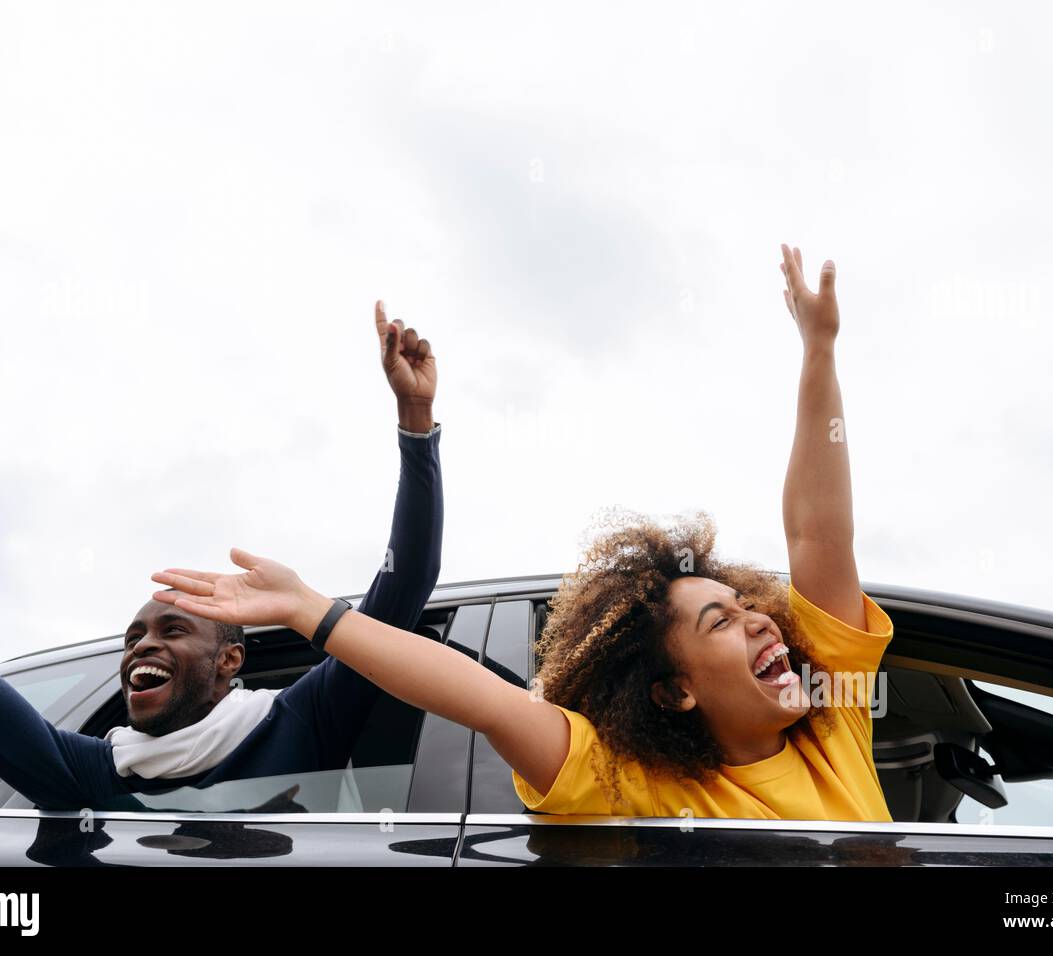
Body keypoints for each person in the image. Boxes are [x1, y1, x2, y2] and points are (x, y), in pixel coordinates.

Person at [154, 245, 896, 821]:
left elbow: (818, 538)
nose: (762, 619)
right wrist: (308, 610)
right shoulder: (629, 784)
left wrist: (820, 348)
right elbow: (479, 697)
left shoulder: (839, 727)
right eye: (722, 620)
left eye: (742, 607)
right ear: (674, 693)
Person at [0, 302, 443, 810]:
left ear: (229, 660)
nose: (144, 645)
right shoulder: (91, 773)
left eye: (174, 629)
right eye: (135, 638)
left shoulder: (297, 720)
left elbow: (405, 586)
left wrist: (415, 419)